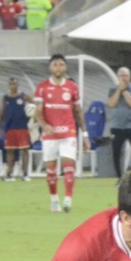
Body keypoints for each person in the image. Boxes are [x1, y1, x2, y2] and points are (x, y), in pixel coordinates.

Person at [32, 53, 87, 212]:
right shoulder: (42, 87)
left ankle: (68, 200)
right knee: (51, 167)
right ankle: (54, 199)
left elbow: (78, 111)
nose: (58, 67)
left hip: (68, 132)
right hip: (50, 134)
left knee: (68, 164)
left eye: (61, 65)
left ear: (65, 67)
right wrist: (44, 125)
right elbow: (38, 111)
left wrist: (84, 134)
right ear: (50, 67)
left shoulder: (72, 87)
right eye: (55, 65)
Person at [106, 67, 131, 178]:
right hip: (117, 126)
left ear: (129, 77)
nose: (123, 78)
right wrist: (119, 90)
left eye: (125, 75)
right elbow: (111, 104)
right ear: (118, 77)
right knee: (116, 153)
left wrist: (124, 91)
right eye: (121, 76)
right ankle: (120, 178)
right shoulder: (112, 89)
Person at [0, 78, 32, 181]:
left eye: (15, 84)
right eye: (11, 84)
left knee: (24, 150)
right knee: (10, 151)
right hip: (10, 128)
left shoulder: (23, 96)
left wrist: (33, 118)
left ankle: (25, 174)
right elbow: (2, 112)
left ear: (18, 85)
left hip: (22, 127)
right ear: (8, 85)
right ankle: (9, 174)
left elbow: (35, 106)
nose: (13, 86)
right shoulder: (5, 98)